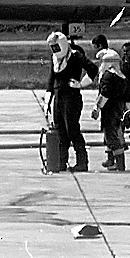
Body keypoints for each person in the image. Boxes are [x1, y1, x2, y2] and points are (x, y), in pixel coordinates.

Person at [45, 31, 95, 172]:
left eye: (56, 47)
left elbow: (92, 69)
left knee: (72, 130)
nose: (55, 50)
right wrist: (47, 101)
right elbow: (51, 80)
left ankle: (82, 162)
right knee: (60, 131)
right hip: (58, 97)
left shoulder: (75, 56)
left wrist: (81, 84)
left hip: (71, 98)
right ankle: (61, 161)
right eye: (52, 48)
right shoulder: (55, 59)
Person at [92, 48, 130, 171]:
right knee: (112, 134)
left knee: (110, 135)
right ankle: (111, 160)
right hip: (119, 109)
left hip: (110, 109)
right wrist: (127, 114)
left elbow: (105, 94)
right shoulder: (122, 77)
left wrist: (97, 108)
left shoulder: (108, 76)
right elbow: (128, 98)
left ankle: (119, 163)